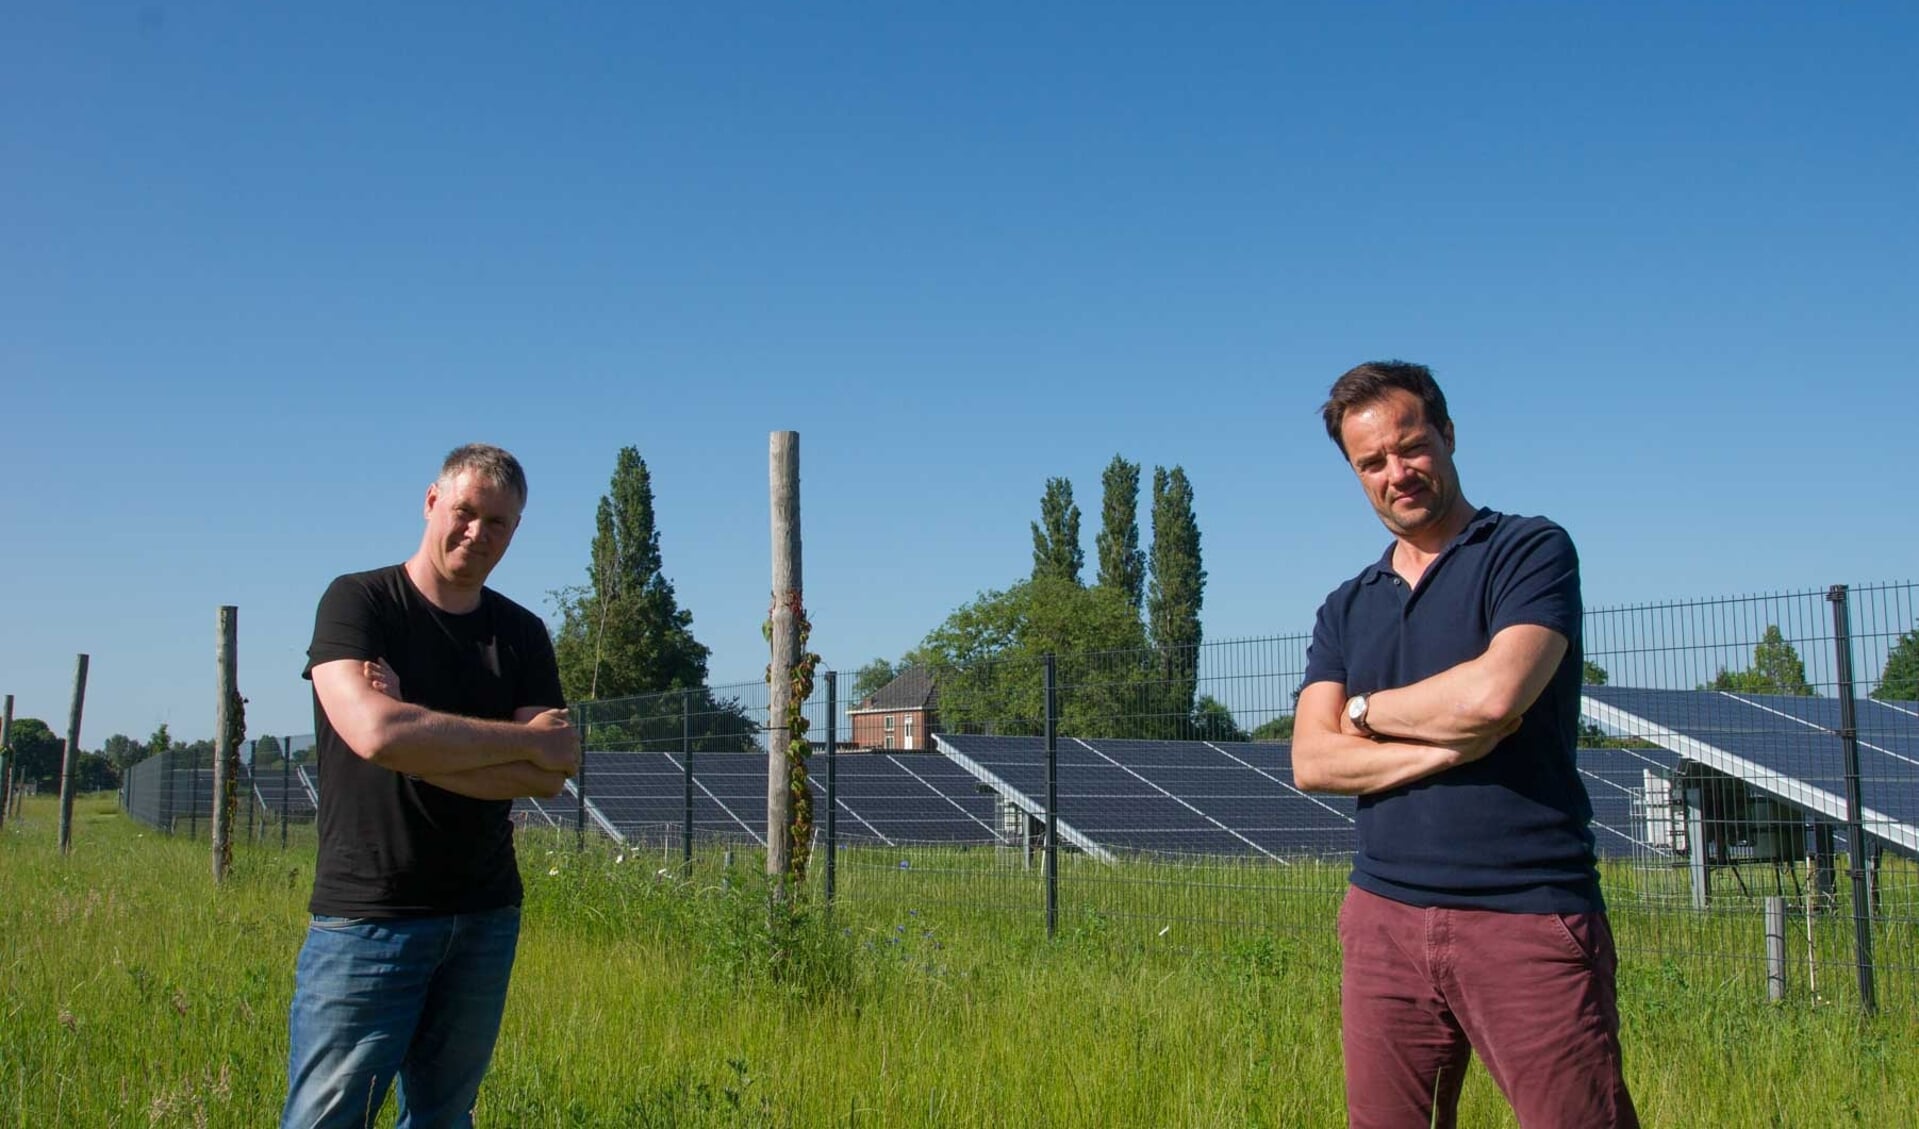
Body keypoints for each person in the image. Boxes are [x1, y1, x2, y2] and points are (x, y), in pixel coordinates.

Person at [1293, 362, 1638, 1128]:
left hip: (1524, 912)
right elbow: (1312, 761)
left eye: (1410, 447)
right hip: (1381, 913)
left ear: (1447, 436)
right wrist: (1443, 747)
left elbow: (1495, 694)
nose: (1396, 473)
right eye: (1371, 463)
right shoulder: (1345, 606)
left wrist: (1362, 710)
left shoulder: (1526, 552)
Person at [283, 444, 581, 1129]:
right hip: (369, 915)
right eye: (465, 511)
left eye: (498, 523)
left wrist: (417, 745)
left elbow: (551, 777)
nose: (477, 533)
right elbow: (375, 733)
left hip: (483, 916)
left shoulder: (521, 632)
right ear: (431, 502)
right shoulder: (359, 602)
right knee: (326, 1117)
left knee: (444, 1117)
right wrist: (521, 741)